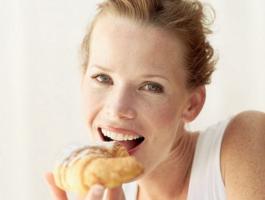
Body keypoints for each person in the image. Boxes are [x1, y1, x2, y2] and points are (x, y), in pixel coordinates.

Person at [45, 0, 265, 199]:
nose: (117, 108)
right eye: (103, 78)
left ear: (192, 104)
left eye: (151, 87)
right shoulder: (102, 193)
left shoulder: (244, 140)